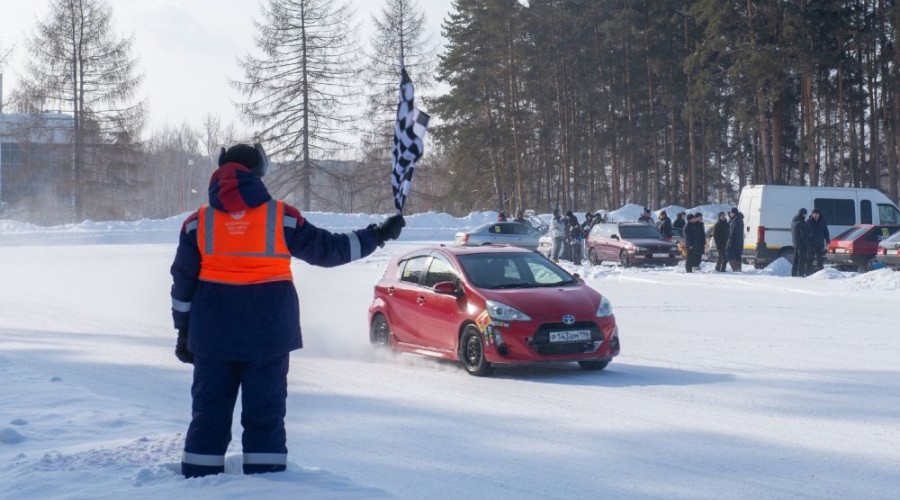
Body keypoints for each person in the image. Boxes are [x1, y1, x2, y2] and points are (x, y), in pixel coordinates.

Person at [169, 143, 405, 478]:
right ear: (258, 173)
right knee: (265, 414)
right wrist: (377, 235)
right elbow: (330, 251)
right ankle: (267, 487)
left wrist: (183, 329)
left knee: (208, 414)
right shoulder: (281, 217)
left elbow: (182, 284)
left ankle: (196, 483)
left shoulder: (197, 223)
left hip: (212, 337)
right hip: (269, 336)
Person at [807, 208, 830, 273]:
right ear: (812, 214)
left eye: (817, 214)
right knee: (810, 259)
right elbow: (805, 233)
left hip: (820, 244)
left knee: (820, 259)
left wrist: (828, 242)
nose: (816, 215)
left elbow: (826, 232)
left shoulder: (822, 222)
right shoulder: (808, 222)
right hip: (811, 244)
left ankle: (820, 273)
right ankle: (808, 273)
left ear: (819, 214)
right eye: (814, 214)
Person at [791, 208, 811, 277]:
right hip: (802, 245)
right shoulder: (801, 223)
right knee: (801, 260)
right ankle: (800, 274)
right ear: (803, 214)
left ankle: (793, 274)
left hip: (795, 244)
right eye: (805, 214)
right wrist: (808, 245)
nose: (806, 215)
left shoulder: (794, 221)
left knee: (795, 259)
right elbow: (804, 236)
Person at [725, 207, 744, 272]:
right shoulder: (739, 219)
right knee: (737, 255)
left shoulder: (735, 220)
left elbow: (733, 232)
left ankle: (735, 268)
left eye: (731, 213)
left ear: (733, 213)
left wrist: (730, 241)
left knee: (728, 253)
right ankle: (738, 269)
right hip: (739, 241)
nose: (730, 214)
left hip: (734, 241)